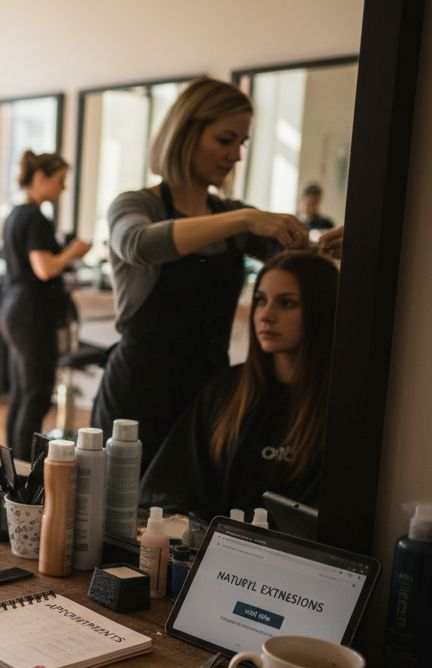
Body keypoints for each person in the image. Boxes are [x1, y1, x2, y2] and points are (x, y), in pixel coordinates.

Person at [91, 76, 311, 466]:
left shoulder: (231, 217)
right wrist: (244, 219)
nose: (236, 156)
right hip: (137, 399)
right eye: (226, 141)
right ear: (186, 134)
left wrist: (334, 244)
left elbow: (300, 254)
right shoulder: (136, 205)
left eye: (241, 143)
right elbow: (138, 244)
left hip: (209, 395)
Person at [141, 251, 337, 519]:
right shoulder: (226, 390)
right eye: (260, 301)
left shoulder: (336, 404)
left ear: (321, 310)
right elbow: (168, 490)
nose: (266, 315)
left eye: (287, 303)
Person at [0, 151, 91, 458]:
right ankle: (24, 466)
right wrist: (72, 253)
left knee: (21, 392)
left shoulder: (14, 213)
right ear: (40, 178)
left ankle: (12, 462)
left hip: (14, 308)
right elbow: (45, 268)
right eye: (60, 181)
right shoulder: (36, 217)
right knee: (36, 393)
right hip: (31, 312)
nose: (63, 188)